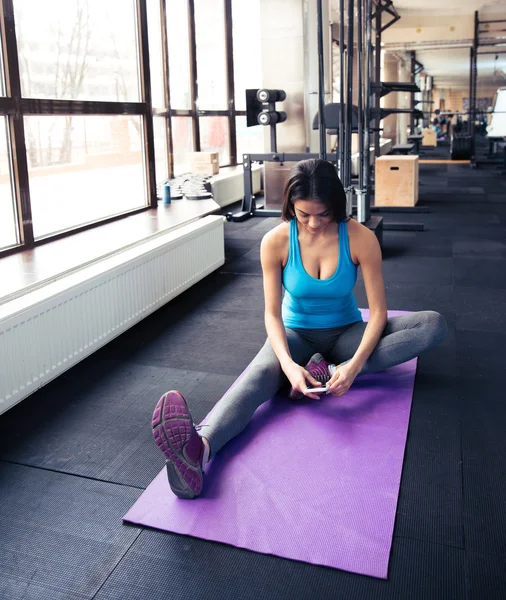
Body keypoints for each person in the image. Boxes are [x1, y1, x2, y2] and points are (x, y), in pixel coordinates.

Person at [151, 158, 448, 499]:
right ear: (291, 205)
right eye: (303, 214)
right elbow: (272, 315)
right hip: (295, 335)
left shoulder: (360, 238)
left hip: (347, 333)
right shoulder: (275, 241)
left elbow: (379, 312)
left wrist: (351, 368)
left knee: (432, 326)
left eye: (322, 214)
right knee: (260, 375)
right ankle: (198, 451)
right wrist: (289, 366)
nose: (313, 223)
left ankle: (327, 372)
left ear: (336, 205)